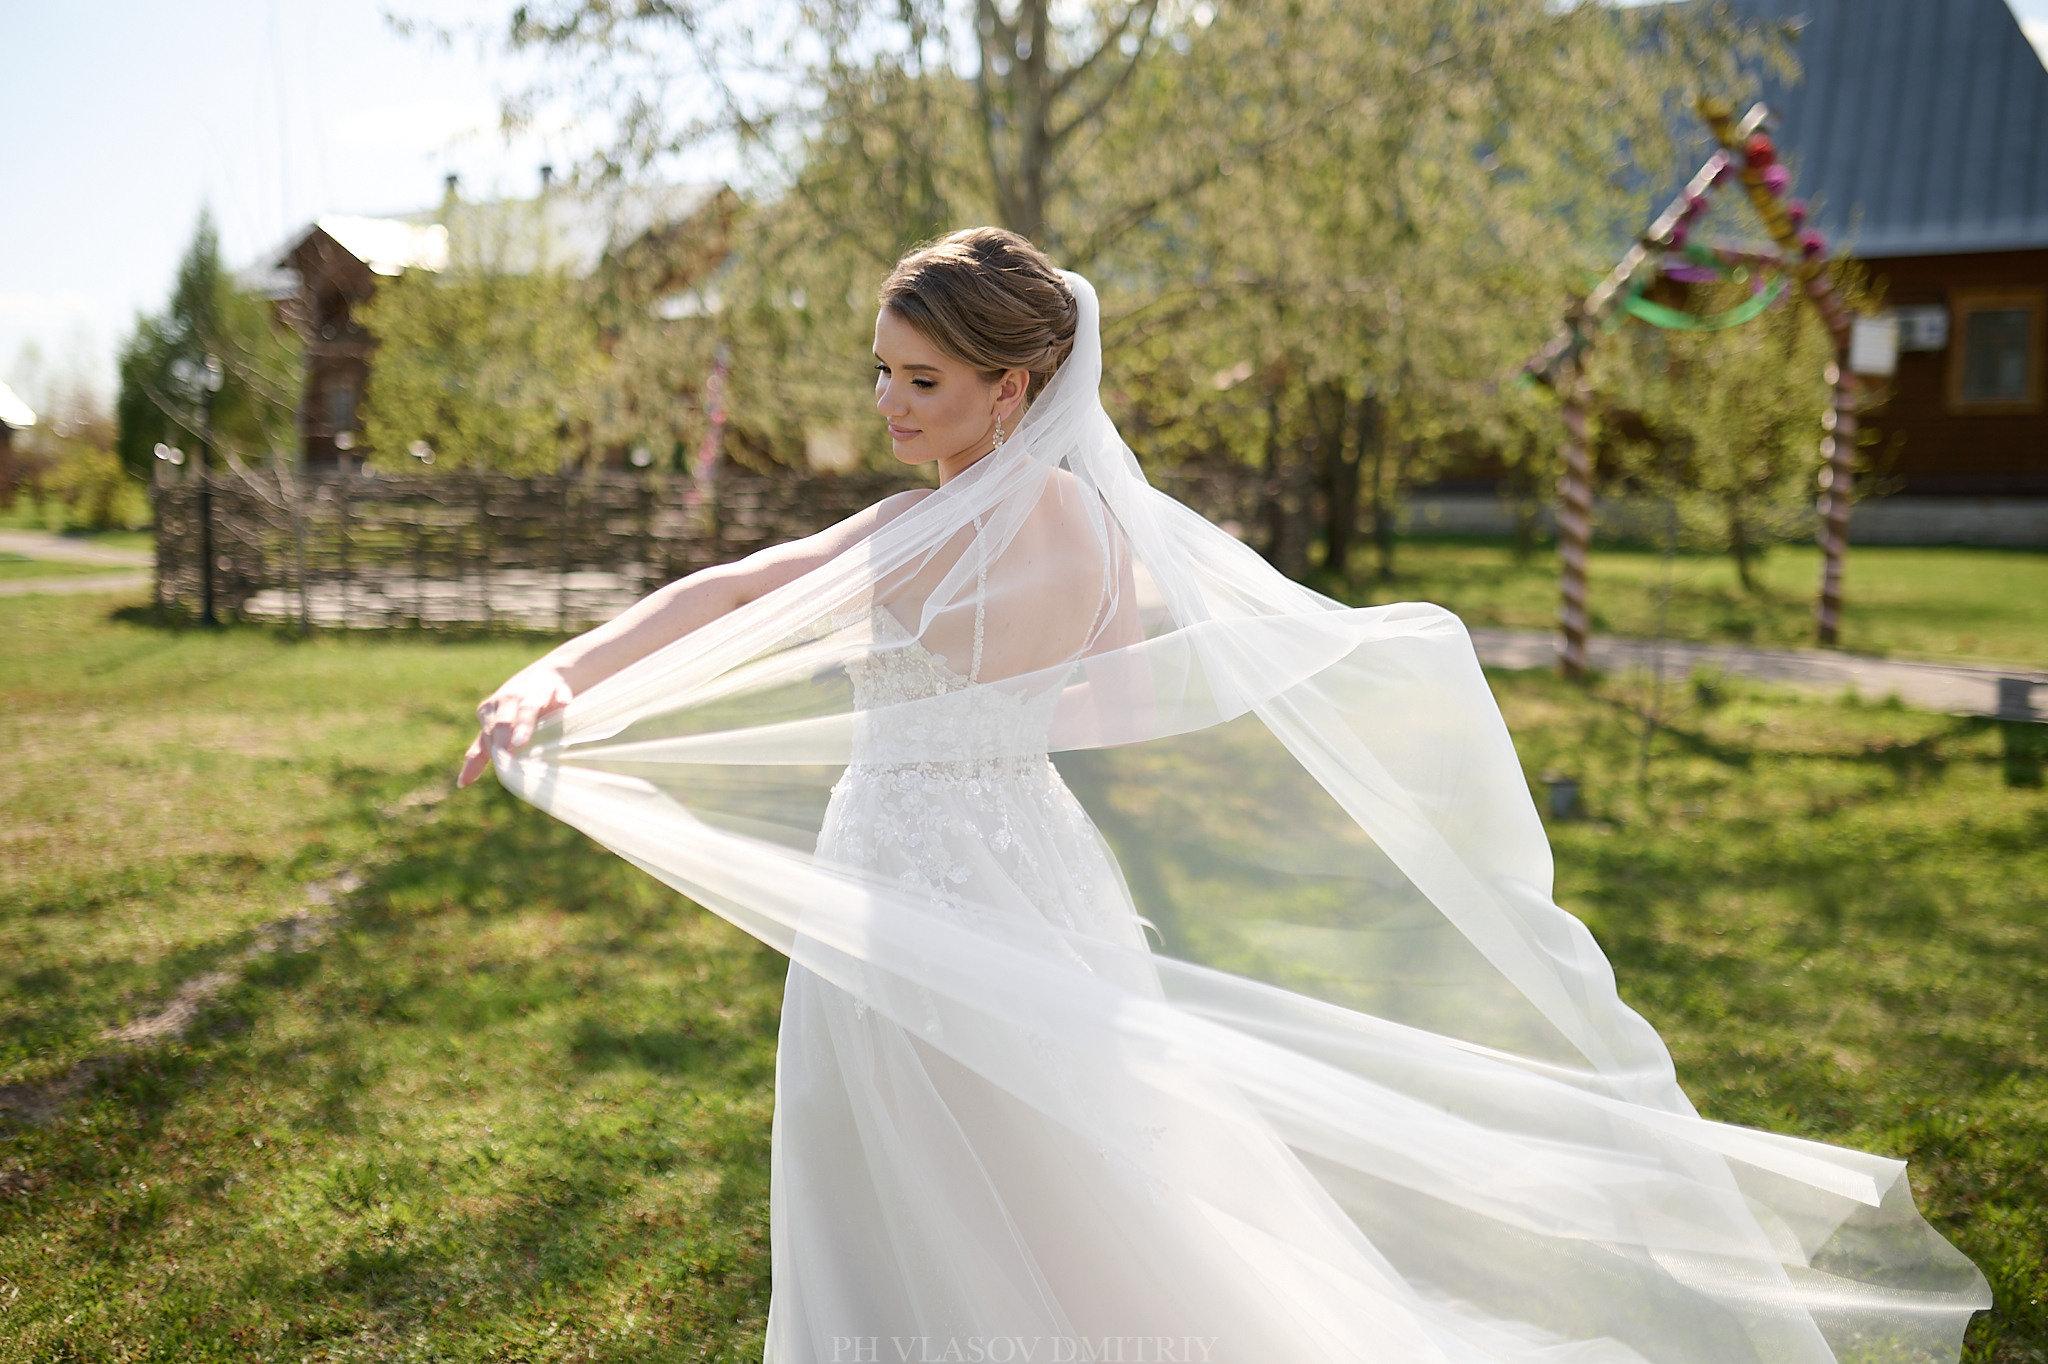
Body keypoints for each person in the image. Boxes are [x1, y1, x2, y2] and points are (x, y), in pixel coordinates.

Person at [461, 228, 1989, 1363]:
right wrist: (993, 720)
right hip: (1036, 870)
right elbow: (1116, 708)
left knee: (953, 1169)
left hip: (919, 879)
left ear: (1017, 386)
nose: (889, 405)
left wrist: (562, 677)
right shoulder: (1106, 538)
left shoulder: (917, 539)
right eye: (881, 372)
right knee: (1069, 1168)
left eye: (921, 380)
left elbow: (731, 588)